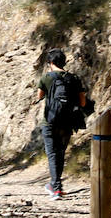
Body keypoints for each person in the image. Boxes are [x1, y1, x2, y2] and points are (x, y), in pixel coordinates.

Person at [32, 48, 86, 200]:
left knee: (52, 154)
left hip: (50, 122)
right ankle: (56, 186)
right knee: (60, 153)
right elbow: (82, 101)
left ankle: (56, 188)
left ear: (50, 63)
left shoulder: (46, 78)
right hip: (67, 122)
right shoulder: (74, 78)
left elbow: (39, 96)